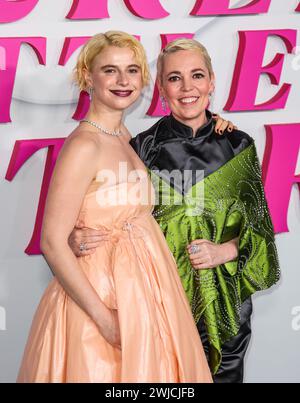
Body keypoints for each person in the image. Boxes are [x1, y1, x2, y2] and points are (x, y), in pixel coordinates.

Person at [70, 38, 280, 383]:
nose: (187, 88)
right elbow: (108, 209)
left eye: (197, 75)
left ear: (212, 82)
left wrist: (224, 251)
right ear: (161, 89)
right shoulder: (141, 147)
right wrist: (75, 235)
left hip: (226, 307)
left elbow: (261, 232)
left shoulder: (238, 145)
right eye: (174, 78)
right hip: (159, 303)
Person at [17, 31, 214, 383]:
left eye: (132, 70)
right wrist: (106, 320)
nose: (124, 81)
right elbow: (51, 241)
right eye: (110, 70)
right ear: (87, 77)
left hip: (145, 290)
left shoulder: (126, 138)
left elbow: (192, 131)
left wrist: (224, 126)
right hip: (99, 302)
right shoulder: (83, 146)